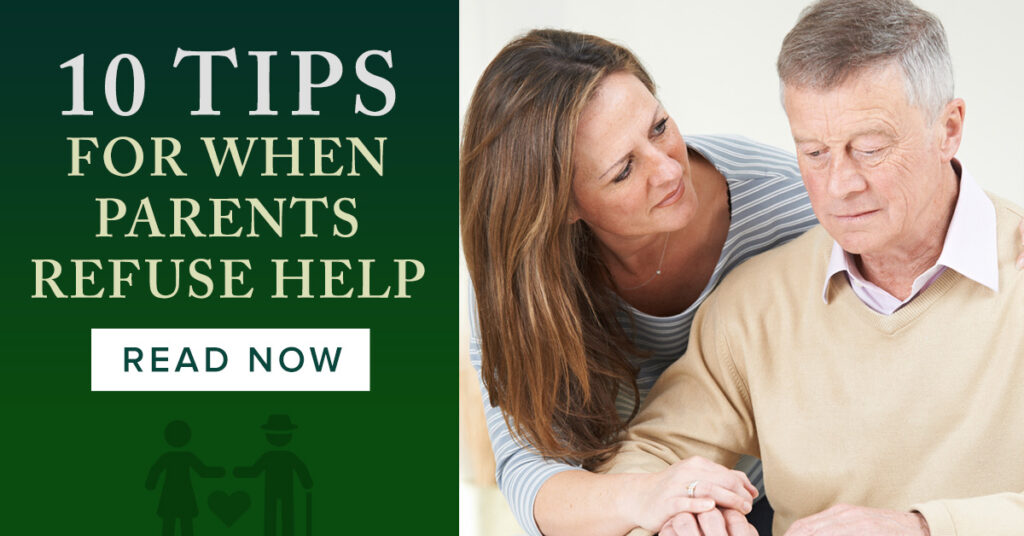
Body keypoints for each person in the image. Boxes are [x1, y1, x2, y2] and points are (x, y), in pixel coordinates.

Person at [605, 1, 1024, 535]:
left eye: (870, 149)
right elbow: (651, 459)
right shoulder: (754, 304)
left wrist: (921, 528)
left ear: (949, 128)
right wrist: (683, 516)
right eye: (815, 153)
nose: (840, 185)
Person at [461, 30, 819, 536]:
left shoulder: (791, 209)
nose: (669, 169)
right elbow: (528, 474)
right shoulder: (525, 280)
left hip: (772, 496)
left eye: (658, 127)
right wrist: (651, 497)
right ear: (562, 206)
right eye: (623, 170)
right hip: (618, 509)